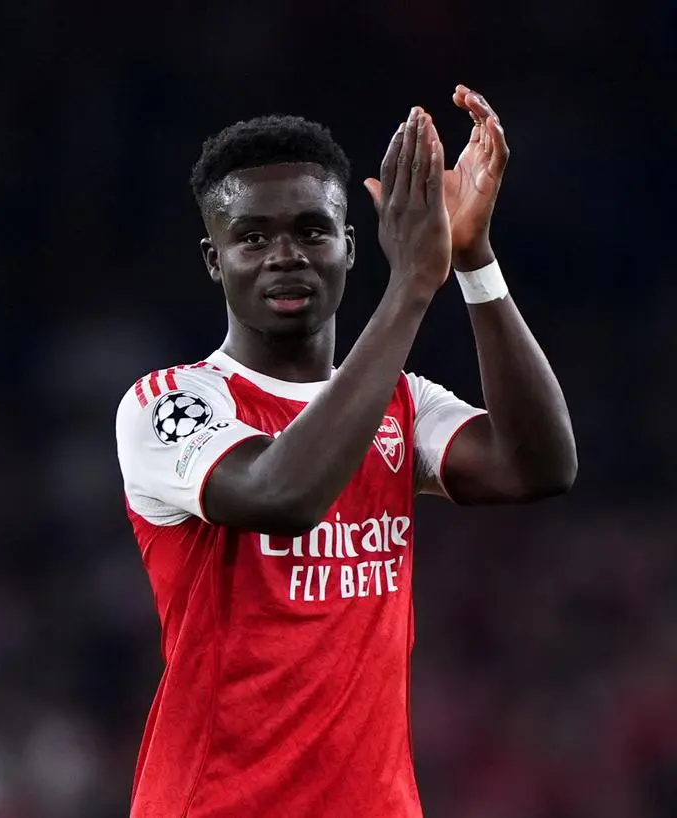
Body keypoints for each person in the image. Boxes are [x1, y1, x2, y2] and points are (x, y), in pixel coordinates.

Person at [114, 87, 576, 817]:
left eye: (311, 231)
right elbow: (280, 497)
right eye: (253, 238)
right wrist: (412, 287)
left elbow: (538, 467)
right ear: (215, 259)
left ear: (349, 247)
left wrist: (472, 260)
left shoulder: (402, 402)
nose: (285, 256)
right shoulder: (169, 405)